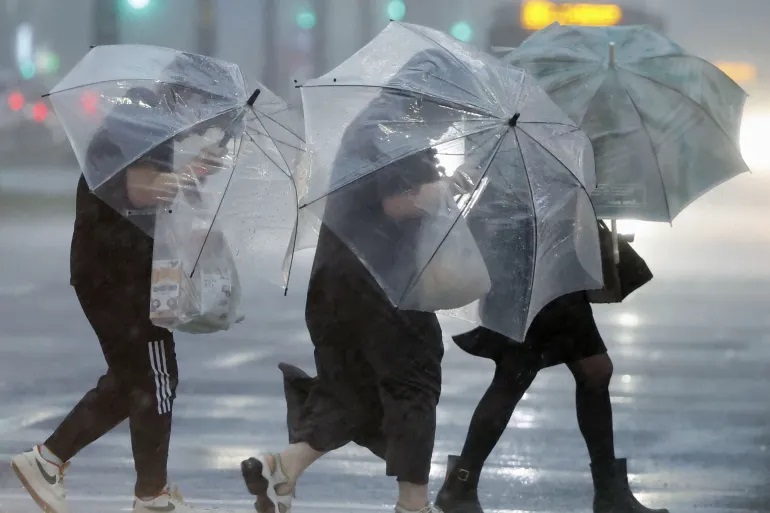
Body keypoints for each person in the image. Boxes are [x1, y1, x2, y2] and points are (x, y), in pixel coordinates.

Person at [239, 49, 468, 513]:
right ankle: (414, 504)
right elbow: (398, 203)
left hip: (336, 281)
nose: (450, 122)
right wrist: (452, 186)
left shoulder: (375, 124)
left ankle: (282, 468)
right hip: (379, 280)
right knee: (414, 381)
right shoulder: (396, 132)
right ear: (429, 99)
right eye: (449, 111)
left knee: (352, 385)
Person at [10, 85, 227, 513]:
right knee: (155, 380)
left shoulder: (146, 122)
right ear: (186, 99)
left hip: (111, 270)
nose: (200, 123)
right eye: (202, 110)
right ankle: (152, 495)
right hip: (120, 274)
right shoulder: (140, 124)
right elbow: (141, 189)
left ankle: (49, 460)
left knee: (133, 380)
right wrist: (191, 171)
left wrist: (192, 171)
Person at [434, 222, 669, 513]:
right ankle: (460, 485)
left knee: (549, 373)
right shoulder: (522, 178)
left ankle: (460, 484)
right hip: (533, 271)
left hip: (552, 270)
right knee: (531, 374)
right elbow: (506, 211)